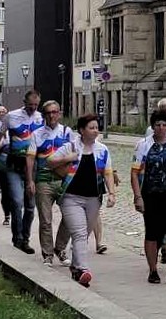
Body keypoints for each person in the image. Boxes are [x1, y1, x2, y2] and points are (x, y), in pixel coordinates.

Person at [48, 113, 116, 287]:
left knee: (83, 235)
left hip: (94, 198)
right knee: (78, 233)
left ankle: (76, 268)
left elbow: (108, 172)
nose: (95, 131)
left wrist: (112, 193)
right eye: (91, 128)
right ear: (82, 130)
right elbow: (50, 162)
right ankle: (84, 269)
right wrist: (66, 159)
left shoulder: (102, 149)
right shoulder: (70, 146)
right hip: (71, 197)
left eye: (96, 128)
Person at [131, 109, 166, 286]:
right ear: (153, 126)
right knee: (152, 231)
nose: (161, 128)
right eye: (158, 125)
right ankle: (153, 269)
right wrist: (138, 196)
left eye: (164, 125)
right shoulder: (144, 145)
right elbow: (134, 172)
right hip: (151, 192)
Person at [0, 90, 44, 254]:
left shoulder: (40, 118)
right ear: (23, 102)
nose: (33, 108)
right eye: (30, 104)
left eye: (36, 105)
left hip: (33, 167)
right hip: (14, 165)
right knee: (17, 202)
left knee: (31, 207)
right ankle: (17, 238)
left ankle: (25, 238)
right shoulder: (11, 116)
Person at [26, 101, 72, 267]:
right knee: (46, 219)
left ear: (59, 113)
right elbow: (30, 158)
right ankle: (47, 253)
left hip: (64, 181)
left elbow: (76, 153)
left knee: (69, 216)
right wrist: (30, 180)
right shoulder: (37, 134)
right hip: (43, 181)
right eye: (48, 113)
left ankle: (60, 248)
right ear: (44, 115)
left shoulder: (67, 132)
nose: (51, 115)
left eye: (54, 112)